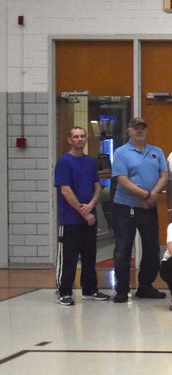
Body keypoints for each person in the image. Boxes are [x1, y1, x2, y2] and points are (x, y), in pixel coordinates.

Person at [111, 116, 168, 303]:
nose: (139, 131)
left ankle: (145, 286)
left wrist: (153, 195)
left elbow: (164, 175)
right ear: (129, 131)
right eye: (136, 128)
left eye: (142, 128)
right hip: (126, 207)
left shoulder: (156, 151)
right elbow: (122, 180)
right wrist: (145, 195)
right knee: (123, 249)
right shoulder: (121, 152)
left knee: (152, 249)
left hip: (149, 208)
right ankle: (121, 289)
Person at [55, 126, 108, 305]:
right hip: (70, 219)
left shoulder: (90, 162)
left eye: (82, 136)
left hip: (89, 219)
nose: (79, 139)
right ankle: (64, 292)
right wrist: (83, 211)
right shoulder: (64, 162)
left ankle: (90, 289)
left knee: (89, 256)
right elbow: (65, 190)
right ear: (69, 140)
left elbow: (97, 186)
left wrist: (91, 205)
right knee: (68, 257)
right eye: (76, 136)